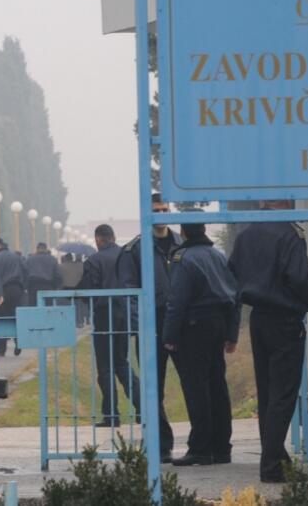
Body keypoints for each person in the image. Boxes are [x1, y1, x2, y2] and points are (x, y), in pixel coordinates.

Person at [228, 200, 308, 483]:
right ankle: (271, 465)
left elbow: (232, 272)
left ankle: (276, 457)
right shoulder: (288, 233)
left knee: (268, 392)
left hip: (259, 319)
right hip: (284, 319)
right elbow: (297, 275)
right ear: (281, 202)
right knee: (283, 394)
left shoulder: (246, 235)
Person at [162, 221, 241, 466]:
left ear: (183, 233)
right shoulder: (218, 256)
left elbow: (177, 300)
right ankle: (221, 447)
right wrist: (232, 333)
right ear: (204, 231)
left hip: (194, 327)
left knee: (197, 388)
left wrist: (169, 336)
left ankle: (200, 448)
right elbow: (235, 296)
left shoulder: (182, 259)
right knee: (217, 385)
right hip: (218, 324)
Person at [117, 193, 182, 463]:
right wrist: (141, 326)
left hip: (179, 322)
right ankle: (160, 443)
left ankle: (204, 443)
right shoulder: (135, 249)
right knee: (153, 388)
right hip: (151, 323)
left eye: (165, 209)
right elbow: (128, 293)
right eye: (157, 209)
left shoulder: (182, 243)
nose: (161, 213)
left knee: (194, 383)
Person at [79, 224, 140, 426]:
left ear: (98, 239)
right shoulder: (127, 256)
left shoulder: (94, 260)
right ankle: (142, 408)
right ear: (113, 236)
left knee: (105, 367)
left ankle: (111, 415)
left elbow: (88, 289)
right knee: (122, 363)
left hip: (104, 315)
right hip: (124, 314)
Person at [0, 238, 27, 356]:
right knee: (16, 317)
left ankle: (1, 349)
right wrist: (22, 286)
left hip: (1, 291)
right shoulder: (16, 257)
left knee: (1, 318)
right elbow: (26, 271)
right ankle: (18, 342)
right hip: (15, 289)